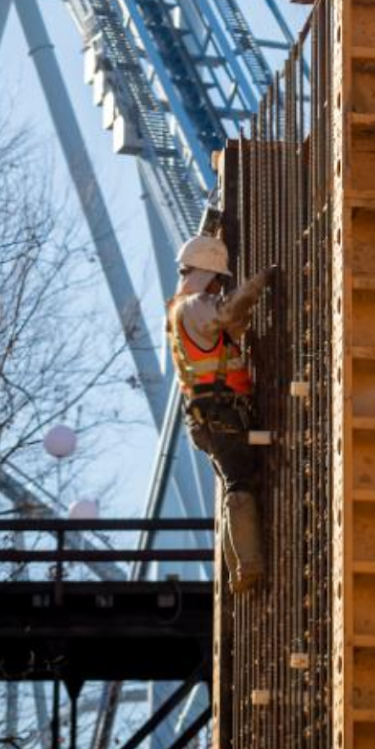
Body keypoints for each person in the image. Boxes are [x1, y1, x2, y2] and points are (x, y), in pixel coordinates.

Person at [165, 235, 277, 595]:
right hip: (219, 412)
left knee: (238, 480)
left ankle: (239, 566)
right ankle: (246, 567)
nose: (220, 286)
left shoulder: (184, 309)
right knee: (239, 484)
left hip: (211, 414)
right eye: (219, 279)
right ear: (207, 274)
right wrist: (259, 283)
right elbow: (227, 311)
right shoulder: (196, 304)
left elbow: (230, 325)